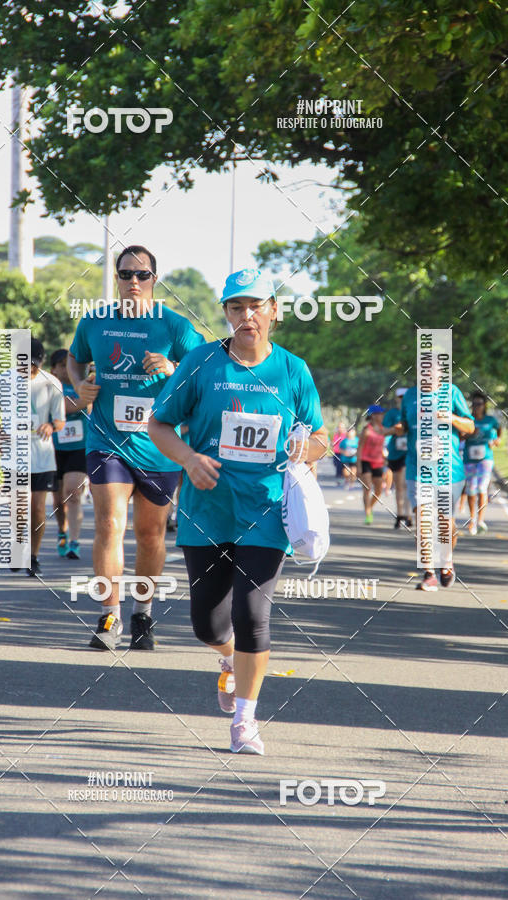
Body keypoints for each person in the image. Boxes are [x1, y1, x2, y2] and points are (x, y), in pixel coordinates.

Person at [148, 267, 328, 755]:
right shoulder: (202, 363)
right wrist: (188, 458)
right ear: (225, 314)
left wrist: (302, 450)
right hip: (207, 507)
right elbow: (159, 424)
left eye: (255, 305)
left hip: (267, 508)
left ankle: (246, 721)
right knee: (207, 622)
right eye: (235, 307)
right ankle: (228, 660)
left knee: (253, 613)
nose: (246, 315)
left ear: (274, 309)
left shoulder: (293, 370)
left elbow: (320, 438)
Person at [67, 245, 205, 651]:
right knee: (109, 524)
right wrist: (78, 384)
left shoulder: (175, 327)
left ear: (154, 280)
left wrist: (172, 368)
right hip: (107, 441)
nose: (133, 282)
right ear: (116, 278)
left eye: (141, 275)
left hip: (159, 446)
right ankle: (109, 616)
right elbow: (76, 360)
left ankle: (142, 614)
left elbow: (202, 373)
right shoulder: (95, 321)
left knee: (150, 533)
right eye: (126, 274)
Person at [0, 338, 65, 576]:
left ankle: (33, 556)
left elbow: (61, 421)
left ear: (40, 362)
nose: (28, 370)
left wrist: (51, 426)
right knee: (18, 507)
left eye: (32, 365)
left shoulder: (51, 383)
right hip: (15, 452)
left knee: (38, 509)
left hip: (42, 454)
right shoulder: (3, 381)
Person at [396, 377, 474, 591]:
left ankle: (446, 562)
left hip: (448, 469)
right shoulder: (411, 395)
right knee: (422, 519)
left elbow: (470, 425)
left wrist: (450, 417)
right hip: (417, 467)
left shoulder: (452, 392)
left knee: (445, 523)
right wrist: (399, 428)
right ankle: (429, 573)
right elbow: (404, 424)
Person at [50, 349, 91, 559]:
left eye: (69, 363)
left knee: (73, 493)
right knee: (58, 500)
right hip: (53, 448)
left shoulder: (83, 384)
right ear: (53, 369)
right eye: (61, 364)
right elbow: (63, 407)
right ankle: (62, 531)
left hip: (79, 446)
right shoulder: (48, 386)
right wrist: (86, 398)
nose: (66, 368)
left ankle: (74, 541)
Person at [463, 391, 501, 535]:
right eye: (474, 404)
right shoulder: (468, 420)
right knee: (471, 490)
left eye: (479, 404)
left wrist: (497, 440)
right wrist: (469, 434)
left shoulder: (490, 420)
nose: (477, 406)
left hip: (486, 458)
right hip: (469, 458)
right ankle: (472, 519)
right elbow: (460, 436)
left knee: (482, 487)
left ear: (484, 405)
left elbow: (499, 428)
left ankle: (480, 521)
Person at [383, 388, 412, 528]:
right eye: (400, 397)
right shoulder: (392, 414)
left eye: (404, 397)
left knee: (408, 483)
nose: (402, 399)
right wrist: (397, 429)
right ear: (396, 399)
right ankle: (400, 514)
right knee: (399, 485)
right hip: (395, 452)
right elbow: (384, 431)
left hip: (411, 452)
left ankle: (409, 514)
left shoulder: (413, 411)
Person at [357, 405, 389, 524]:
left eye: (382, 414)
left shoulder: (382, 429)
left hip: (378, 462)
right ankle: (368, 513)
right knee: (367, 488)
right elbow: (359, 448)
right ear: (373, 416)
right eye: (380, 414)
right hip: (365, 461)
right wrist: (359, 466)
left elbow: (394, 431)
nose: (382, 416)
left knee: (379, 490)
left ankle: (369, 507)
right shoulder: (367, 430)